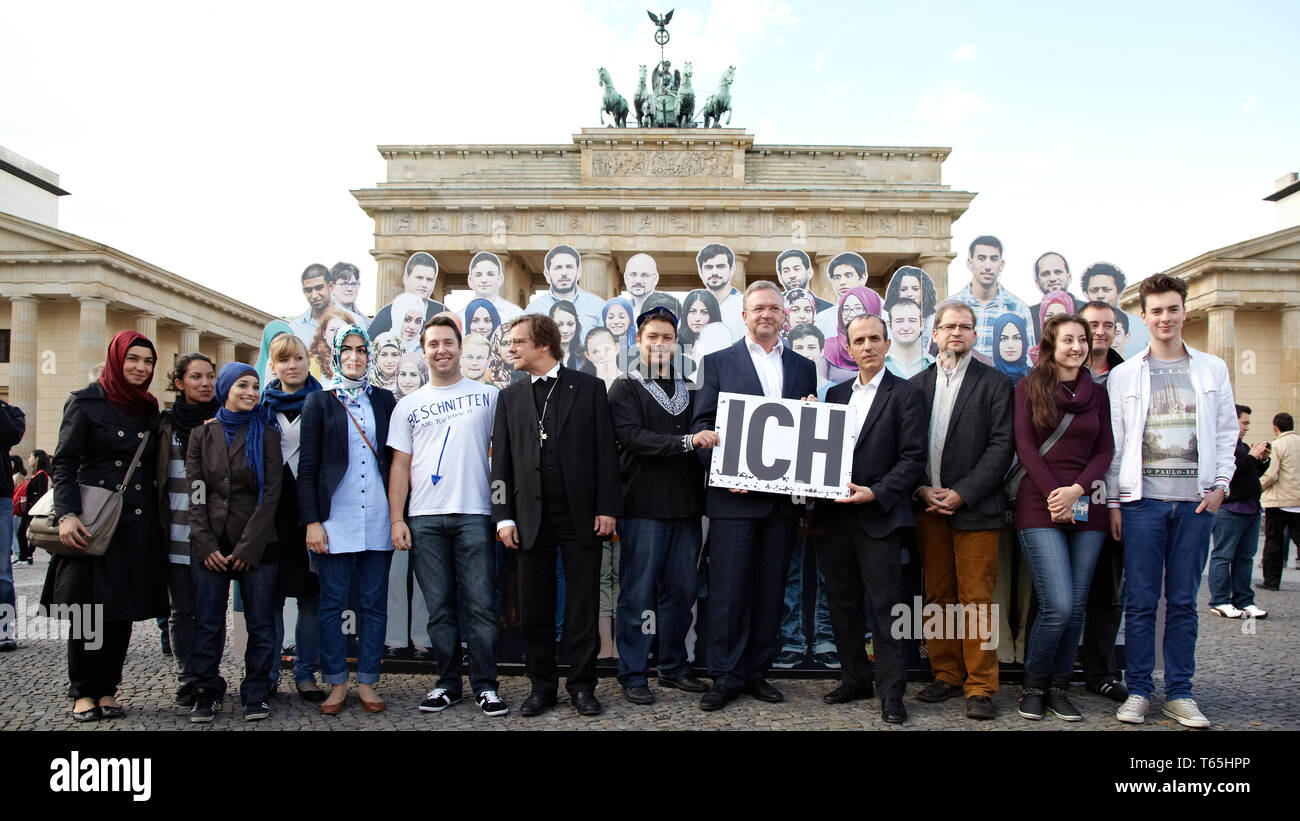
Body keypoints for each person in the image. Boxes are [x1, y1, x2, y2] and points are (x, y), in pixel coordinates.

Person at [1106, 274, 1237, 729]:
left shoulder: (1211, 368)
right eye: (1156, 310)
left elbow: (1225, 433)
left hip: (1195, 504)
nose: (1164, 317)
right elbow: (1117, 443)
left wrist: (1221, 484)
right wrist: (1115, 504)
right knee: (1140, 601)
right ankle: (1139, 689)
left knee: (1182, 602)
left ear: (1184, 311)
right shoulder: (1125, 374)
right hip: (1142, 503)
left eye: (1172, 309)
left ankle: (1180, 692)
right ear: (1145, 317)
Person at [690, 281, 818, 711]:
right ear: (743, 316)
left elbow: (808, 429)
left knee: (769, 591)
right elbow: (702, 424)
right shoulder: (716, 362)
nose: (766, 314)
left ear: (785, 317)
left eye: (774, 308)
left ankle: (757, 672)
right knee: (728, 591)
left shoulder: (803, 367)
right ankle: (725, 677)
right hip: (733, 499)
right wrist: (723, 474)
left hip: (781, 504)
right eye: (758, 308)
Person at [491, 314, 622, 717]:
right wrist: (503, 516)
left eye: (517, 342)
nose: (510, 348)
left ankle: (583, 687)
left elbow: (606, 454)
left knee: (582, 607)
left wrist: (607, 508)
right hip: (528, 520)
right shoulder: (509, 398)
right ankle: (541, 687)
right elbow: (502, 466)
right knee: (534, 608)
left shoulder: (589, 388)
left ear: (543, 344)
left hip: (582, 516)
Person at [388, 316, 508, 717]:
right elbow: (400, 466)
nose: (441, 350)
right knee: (438, 609)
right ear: (424, 351)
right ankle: (447, 684)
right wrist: (396, 519)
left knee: (480, 606)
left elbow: (504, 459)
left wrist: (504, 512)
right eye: (433, 344)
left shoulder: (489, 396)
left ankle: (487, 686)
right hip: (423, 518)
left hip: (476, 513)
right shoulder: (407, 404)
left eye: (448, 343)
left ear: (460, 347)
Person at [45, 331, 168, 722]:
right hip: (92, 522)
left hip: (134, 524)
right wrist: (66, 515)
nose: (140, 367)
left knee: (120, 610)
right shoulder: (85, 402)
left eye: (147, 361)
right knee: (89, 610)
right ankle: (83, 691)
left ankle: (108, 689)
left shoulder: (148, 408)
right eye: (133, 359)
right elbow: (63, 462)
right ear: (116, 359)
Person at [819, 314, 928, 724]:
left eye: (874, 339)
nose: (867, 346)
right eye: (859, 340)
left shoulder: (907, 394)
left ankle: (892, 693)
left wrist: (877, 492)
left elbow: (914, 457)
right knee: (842, 604)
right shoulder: (832, 395)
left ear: (886, 345)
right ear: (848, 348)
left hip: (880, 517)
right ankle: (854, 679)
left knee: (887, 609)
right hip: (836, 518)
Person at [910, 300, 1015, 720]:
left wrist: (963, 492)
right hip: (928, 507)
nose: (956, 333)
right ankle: (947, 673)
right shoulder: (915, 386)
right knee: (938, 596)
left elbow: (1001, 447)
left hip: (975, 508)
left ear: (974, 335)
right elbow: (908, 448)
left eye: (964, 327)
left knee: (976, 600)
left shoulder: (995, 384)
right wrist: (921, 489)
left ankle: (981, 686)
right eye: (948, 326)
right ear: (933, 334)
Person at [607, 307, 715, 704]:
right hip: (642, 507)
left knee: (682, 593)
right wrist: (687, 443)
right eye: (651, 336)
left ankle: (673, 667)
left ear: (676, 343)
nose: (659, 344)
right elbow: (634, 438)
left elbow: (716, 430)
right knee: (637, 594)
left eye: (667, 337)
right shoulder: (624, 388)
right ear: (638, 341)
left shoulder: (690, 388)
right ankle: (633, 673)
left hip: (687, 507)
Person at [1011, 315, 1114, 722]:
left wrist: (1077, 490)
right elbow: (1025, 447)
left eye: (1082, 339)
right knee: (1058, 603)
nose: (1076, 346)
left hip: (1088, 507)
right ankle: (1033, 687)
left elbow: (1105, 450)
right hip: (1040, 506)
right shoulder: (1028, 387)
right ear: (1051, 346)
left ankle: (1059, 688)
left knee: (1079, 603)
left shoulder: (1098, 393)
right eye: (1067, 339)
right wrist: (1057, 494)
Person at [299, 325, 398, 715]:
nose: (354, 357)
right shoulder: (319, 402)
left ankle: (369, 682)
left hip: (377, 515)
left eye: (361, 351)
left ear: (369, 357)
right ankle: (337, 683)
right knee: (332, 604)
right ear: (336, 355)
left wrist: (396, 517)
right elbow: (308, 468)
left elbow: (397, 461)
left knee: (374, 604)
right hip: (334, 518)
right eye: (348, 350)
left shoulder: (386, 400)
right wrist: (312, 521)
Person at [186, 363, 283, 723]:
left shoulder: (267, 433)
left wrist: (248, 546)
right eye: (242, 385)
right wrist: (205, 542)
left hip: (256, 545)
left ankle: (256, 691)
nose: (251, 393)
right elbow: (196, 491)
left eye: (255, 387)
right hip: (210, 543)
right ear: (226, 388)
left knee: (260, 623)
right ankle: (205, 690)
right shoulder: (201, 435)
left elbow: (271, 493)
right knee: (208, 622)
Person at [261, 333, 327, 702]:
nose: (292, 365)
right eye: (284, 360)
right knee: (269, 597)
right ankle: (269, 672)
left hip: (311, 514)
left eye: (298, 358)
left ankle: (305, 673)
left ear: (308, 360)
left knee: (310, 597)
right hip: (270, 516)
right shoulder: (258, 406)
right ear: (273, 365)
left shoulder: (325, 402)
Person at [155, 352, 219, 706]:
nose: (205, 383)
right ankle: (187, 677)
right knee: (181, 610)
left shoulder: (225, 419)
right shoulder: (165, 425)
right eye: (196, 377)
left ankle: (208, 676)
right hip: (176, 531)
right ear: (179, 383)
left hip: (213, 534)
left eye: (210, 376)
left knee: (210, 611)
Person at [1077, 300, 1129, 702]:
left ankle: (1101, 670)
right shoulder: (1057, 374)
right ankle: (1045, 671)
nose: (1100, 330)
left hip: (1114, 497)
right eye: (1092, 323)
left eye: (1108, 324)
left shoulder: (1130, 376)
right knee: (1056, 592)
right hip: (1068, 496)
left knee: (1107, 591)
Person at [1208, 405, 1270, 619]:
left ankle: (1244, 600)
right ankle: (1220, 600)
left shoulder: (1242, 446)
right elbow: (1233, 469)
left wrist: (1261, 460)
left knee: (1245, 557)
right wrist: (1252, 457)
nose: (1246, 427)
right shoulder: (1223, 446)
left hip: (1251, 508)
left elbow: (1250, 472)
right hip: (1230, 509)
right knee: (1223, 556)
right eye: (1244, 423)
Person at [952, 235, 1036, 361]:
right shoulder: (951, 306)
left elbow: (1030, 359)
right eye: (981, 258)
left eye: (994, 259)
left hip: (1004, 379)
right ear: (970, 263)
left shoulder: (1018, 309)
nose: (988, 266)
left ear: (1001, 264)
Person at [1259, 412, 1300, 592]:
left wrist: (1256, 487)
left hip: (1279, 501)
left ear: (1275, 428)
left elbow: (1272, 474)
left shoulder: (1277, 445)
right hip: (1298, 501)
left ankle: (1272, 581)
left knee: (1274, 542)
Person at [525, 245, 604, 332]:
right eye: (558, 268)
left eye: (569, 267)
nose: (564, 273)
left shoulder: (598, 306)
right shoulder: (533, 310)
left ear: (578, 272)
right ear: (547, 274)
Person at [367, 252, 447, 338]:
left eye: (429, 279)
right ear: (406, 278)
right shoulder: (386, 314)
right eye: (419, 278)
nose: (424, 284)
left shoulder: (443, 313)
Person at [819, 286, 883, 386]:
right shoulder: (827, 348)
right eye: (846, 309)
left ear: (872, 308)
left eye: (858, 308)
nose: (851, 314)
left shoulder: (884, 349)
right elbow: (819, 388)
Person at [0, 399, 24, 652]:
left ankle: (4, 629)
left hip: (1, 498)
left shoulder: (10, 412)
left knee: (1, 569)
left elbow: (9, 435)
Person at [1082, 262, 1148, 354]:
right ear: (1086, 293)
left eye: (1106, 290)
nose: (1100, 295)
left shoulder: (1142, 326)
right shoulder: (1078, 327)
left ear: (1119, 291)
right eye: (1094, 290)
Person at [814, 252, 871, 339]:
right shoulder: (821, 319)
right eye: (837, 277)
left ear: (863, 278)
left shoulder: (883, 316)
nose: (842, 282)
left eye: (848, 275)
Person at [696, 243, 745, 341]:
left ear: (731, 270)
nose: (714, 272)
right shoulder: (691, 306)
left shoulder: (745, 304)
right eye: (708, 267)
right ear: (701, 271)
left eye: (720, 266)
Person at [1030, 252, 1084, 339]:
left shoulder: (1087, 311)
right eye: (1046, 274)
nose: (1052, 279)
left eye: (1058, 272)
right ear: (1037, 282)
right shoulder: (1029, 316)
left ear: (1069, 277)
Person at [885, 266, 939, 346]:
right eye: (903, 289)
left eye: (915, 289)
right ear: (896, 292)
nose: (909, 294)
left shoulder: (936, 321)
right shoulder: (884, 320)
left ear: (924, 291)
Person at [883, 297, 934, 379]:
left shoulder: (935, 365)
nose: (906, 327)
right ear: (890, 325)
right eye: (899, 321)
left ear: (922, 324)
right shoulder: (878, 366)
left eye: (912, 321)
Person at [466, 251, 523, 324]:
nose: (484, 280)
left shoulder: (516, 314)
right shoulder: (459, 317)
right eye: (478, 275)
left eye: (490, 274)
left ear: (500, 279)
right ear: (470, 280)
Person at [15, 450, 50, 566]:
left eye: (31, 457)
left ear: (37, 459)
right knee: (23, 533)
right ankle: (25, 556)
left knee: (32, 534)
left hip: (33, 510)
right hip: (29, 510)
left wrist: (34, 507)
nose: (29, 459)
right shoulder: (37, 474)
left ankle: (27, 556)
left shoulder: (41, 475)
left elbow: (40, 494)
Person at [308, 307, 362, 379]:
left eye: (342, 329)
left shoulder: (362, 359)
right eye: (332, 330)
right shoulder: (313, 363)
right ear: (324, 334)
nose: (337, 334)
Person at [290, 264, 337, 345]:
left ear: (330, 286)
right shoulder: (294, 328)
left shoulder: (354, 321)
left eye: (319, 288)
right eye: (308, 290)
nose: (314, 295)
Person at [679, 289, 723, 357]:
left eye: (704, 313)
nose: (697, 319)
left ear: (713, 315)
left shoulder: (721, 345)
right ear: (685, 314)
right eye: (692, 312)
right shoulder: (675, 342)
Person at [992, 312, 1031, 383]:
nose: (1010, 345)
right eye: (1004, 339)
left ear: (1024, 342)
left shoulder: (1039, 378)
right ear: (996, 343)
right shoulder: (985, 380)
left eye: (1016, 338)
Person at [329, 262, 370, 327]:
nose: (350, 289)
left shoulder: (366, 321)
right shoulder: (324, 318)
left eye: (354, 284)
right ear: (331, 286)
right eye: (344, 284)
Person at [254, 320, 294, 387]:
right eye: (275, 341)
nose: (280, 346)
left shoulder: (301, 373)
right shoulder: (252, 377)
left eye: (285, 341)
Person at [548, 299, 585, 371]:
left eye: (570, 324)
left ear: (576, 325)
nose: (565, 330)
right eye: (559, 324)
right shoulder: (541, 355)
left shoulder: (584, 357)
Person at [486, 325, 520, 389]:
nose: (510, 349)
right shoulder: (489, 376)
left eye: (515, 343)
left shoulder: (530, 373)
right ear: (497, 347)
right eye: (504, 344)